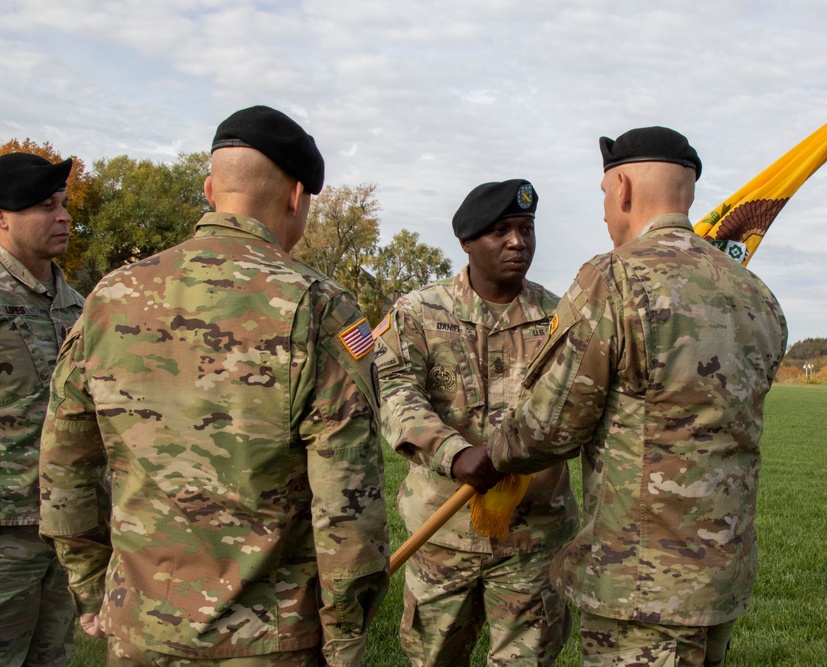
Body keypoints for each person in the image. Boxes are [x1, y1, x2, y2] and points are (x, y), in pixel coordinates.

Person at [38, 105, 390, 666]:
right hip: (271, 639)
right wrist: (345, 636)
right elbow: (348, 507)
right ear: (296, 196)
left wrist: (92, 588)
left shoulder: (109, 298)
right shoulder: (320, 308)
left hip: (140, 630)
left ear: (209, 189)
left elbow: (64, 467)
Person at [488, 127, 788, 667]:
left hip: (641, 586)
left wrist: (492, 455)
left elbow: (549, 425)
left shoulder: (614, 279)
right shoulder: (754, 292)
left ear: (622, 188)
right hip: (722, 576)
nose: (606, 213)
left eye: (605, 197)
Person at [374, 179, 578, 666]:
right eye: (500, 231)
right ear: (467, 243)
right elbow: (393, 389)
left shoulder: (562, 317)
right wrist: (453, 452)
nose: (517, 242)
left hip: (534, 538)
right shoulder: (419, 312)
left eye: (526, 229)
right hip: (442, 533)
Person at [0, 152, 83, 667]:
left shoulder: (77, 305)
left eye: (64, 204)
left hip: (64, 526)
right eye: (45, 206)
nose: (63, 217)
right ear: (2, 218)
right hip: (5, 532)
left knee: (51, 656)